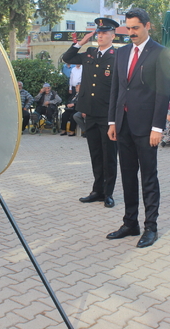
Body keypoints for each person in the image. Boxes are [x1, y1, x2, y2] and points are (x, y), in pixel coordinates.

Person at [106, 8, 170, 248]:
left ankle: (150, 227)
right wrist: (112, 122)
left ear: (147, 26)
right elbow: (117, 89)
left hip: (146, 128)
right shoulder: (121, 53)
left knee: (148, 178)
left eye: (136, 28)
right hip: (123, 126)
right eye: (128, 28)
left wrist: (157, 127)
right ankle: (130, 223)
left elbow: (163, 94)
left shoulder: (159, 53)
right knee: (128, 177)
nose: (131, 32)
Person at [62, 17, 120, 208]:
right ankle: (97, 190)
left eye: (104, 33)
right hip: (90, 112)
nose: (100, 35)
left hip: (107, 115)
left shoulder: (117, 57)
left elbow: (119, 88)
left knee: (109, 155)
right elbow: (67, 58)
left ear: (112, 35)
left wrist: (115, 118)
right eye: (99, 32)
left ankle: (108, 193)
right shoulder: (89, 53)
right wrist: (80, 43)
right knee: (95, 153)